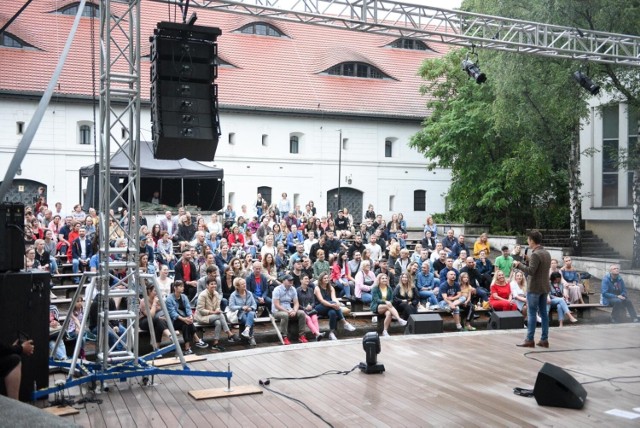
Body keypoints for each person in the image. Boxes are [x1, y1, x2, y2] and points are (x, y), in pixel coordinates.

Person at [513, 230, 552, 348]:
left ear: (532, 241)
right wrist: (529, 260)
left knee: (532, 313)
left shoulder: (536, 254)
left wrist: (518, 264)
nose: (527, 242)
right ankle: (544, 340)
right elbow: (540, 268)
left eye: (528, 240)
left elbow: (531, 271)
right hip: (544, 287)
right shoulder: (546, 253)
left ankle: (529, 339)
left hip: (534, 287)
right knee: (544, 314)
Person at [195, 278, 238, 351]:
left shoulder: (216, 294)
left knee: (218, 322)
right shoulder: (202, 295)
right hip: (202, 317)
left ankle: (215, 343)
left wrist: (218, 309)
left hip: (213, 316)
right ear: (207, 285)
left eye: (215, 284)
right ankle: (229, 333)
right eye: (211, 284)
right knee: (220, 315)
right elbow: (201, 310)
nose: (214, 285)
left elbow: (217, 306)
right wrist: (214, 312)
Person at [165, 281, 208, 355]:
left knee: (186, 325)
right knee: (186, 323)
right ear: (175, 288)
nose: (183, 288)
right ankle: (196, 340)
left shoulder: (184, 297)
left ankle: (188, 348)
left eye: (183, 286)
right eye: (181, 286)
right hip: (174, 320)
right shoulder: (169, 299)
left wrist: (190, 316)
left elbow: (188, 308)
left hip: (185, 320)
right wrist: (185, 319)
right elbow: (173, 314)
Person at [314, 273, 356, 340]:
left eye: (327, 278)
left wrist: (337, 304)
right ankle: (344, 322)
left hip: (330, 307)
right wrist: (332, 304)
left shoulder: (331, 288)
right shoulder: (317, 288)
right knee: (333, 305)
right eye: (324, 278)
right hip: (319, 307)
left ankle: (331, 333)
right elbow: (321, 300)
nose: (326, 279)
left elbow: (334, 298)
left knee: (332, 313)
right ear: (321, 280)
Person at [272, 274, 307, 345]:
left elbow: (296, 303)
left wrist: (294, 310)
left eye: (292, 280)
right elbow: (277, 305)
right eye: (289, 280)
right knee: (285, 315)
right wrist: (288, 311)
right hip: (277, 311)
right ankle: (284, 336)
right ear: (283, 281)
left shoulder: (293, 289)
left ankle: (302, 335)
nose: (291, 282)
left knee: (302, 313)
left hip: (289, 309)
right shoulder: (277, 289)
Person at [229, 278, 257, 347]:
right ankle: (251, 337)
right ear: (237, 286)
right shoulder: (233, 295)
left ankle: (247, 330)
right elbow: (231, 306)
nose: (244, 285)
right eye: (242, 284)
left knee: (251, 313)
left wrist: (251, 308)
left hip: (250, 312)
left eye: (245, 283)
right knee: (249, 319)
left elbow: (254, 304)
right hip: (240, 314)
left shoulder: (249, 293)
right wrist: (241, 307)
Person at [297, 274, 324, 341]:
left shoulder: (311, 290)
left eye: (308, 279)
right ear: (301, 280)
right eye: (305, 279)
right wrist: (304, 308)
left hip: (310, 309)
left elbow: (313, 301)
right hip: (301, 309)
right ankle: (318, 334)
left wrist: (311, 306)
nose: (307, 280)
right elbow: (296, 303)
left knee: (315, 318)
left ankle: (317, 335)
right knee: (308, 318)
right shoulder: (297, 290)